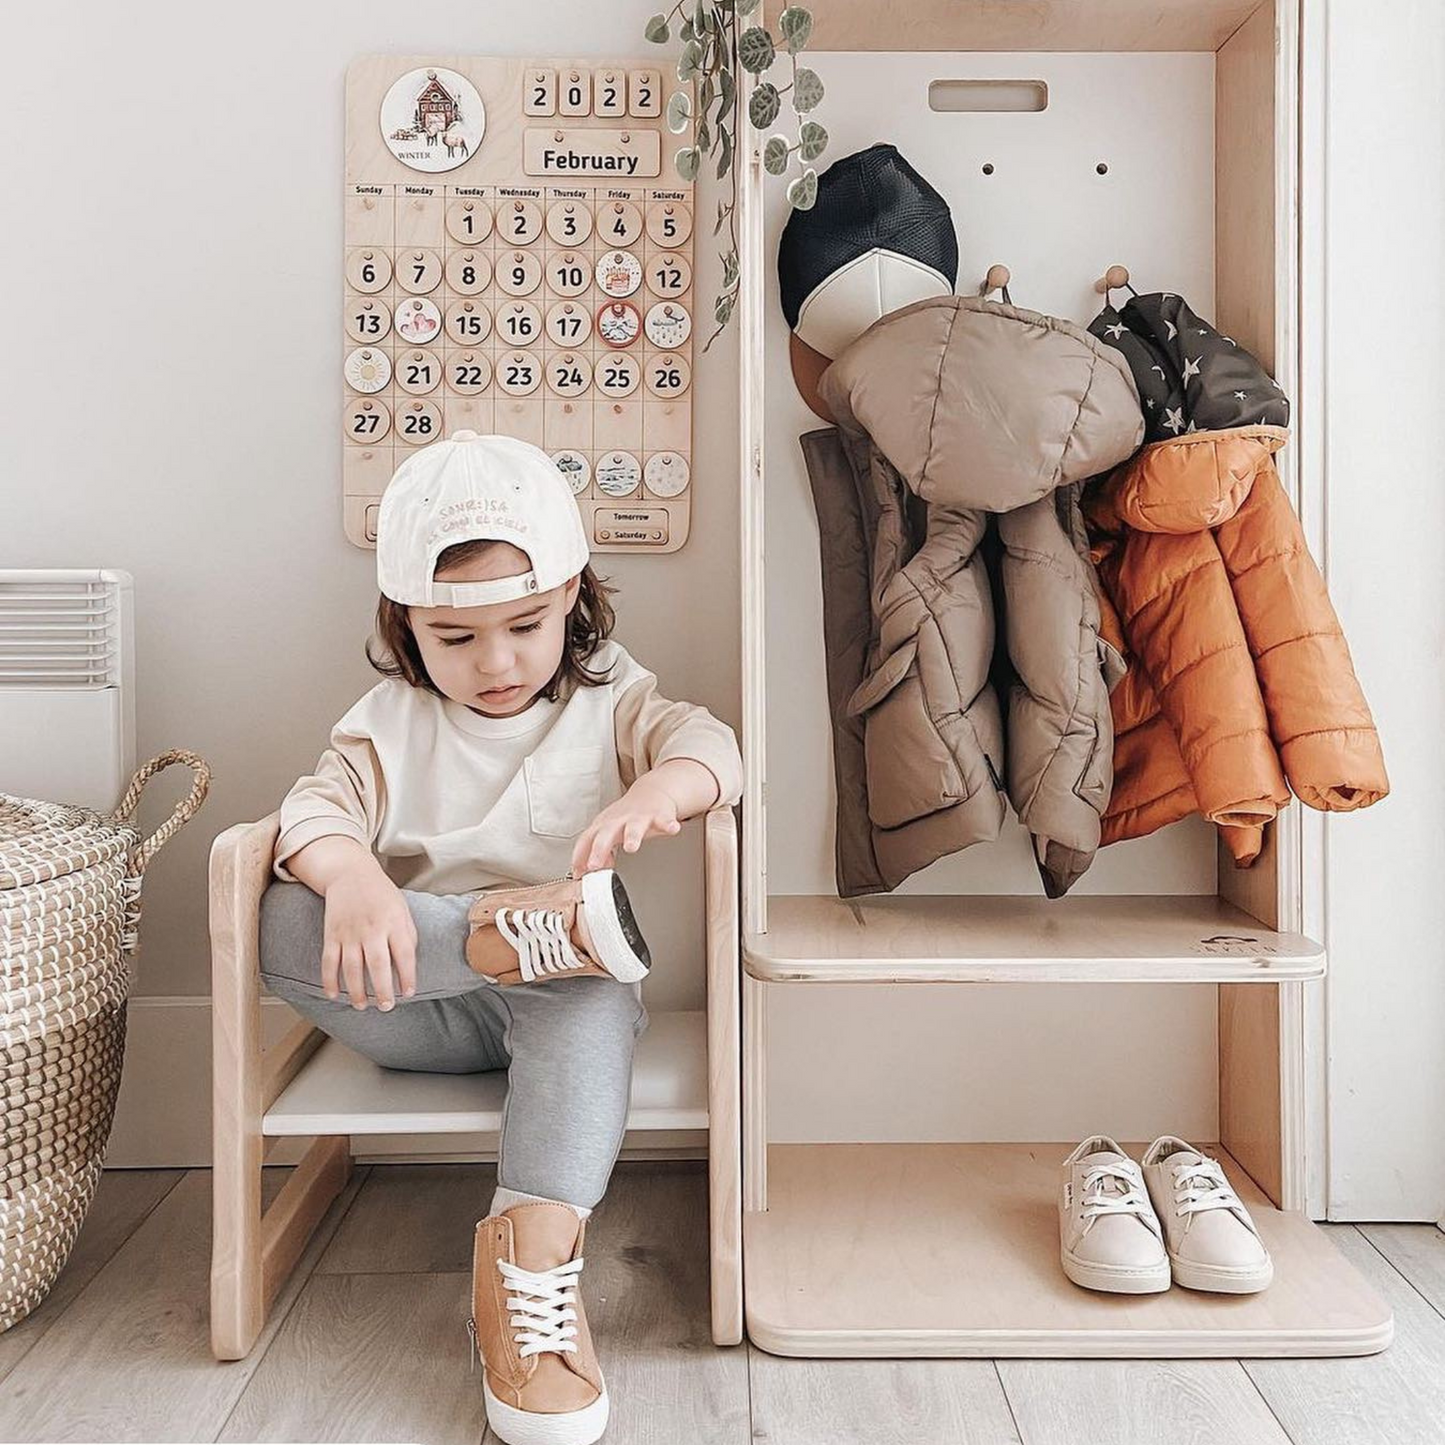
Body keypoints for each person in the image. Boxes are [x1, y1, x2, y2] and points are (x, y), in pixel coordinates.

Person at [257, 431, 742, 1445]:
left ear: (571, 593)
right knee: (279, 911)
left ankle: (526, 1282)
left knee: (590, 989)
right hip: (417, 992)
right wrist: (348, 876)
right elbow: (313, 810)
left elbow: (712, 747)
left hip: (562, 997)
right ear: (406, 627)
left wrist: (662, 787)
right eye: (454, 637)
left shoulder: (610, 693)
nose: (496, 662)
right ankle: (507, 933)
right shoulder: (387, 720)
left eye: (523, 625)